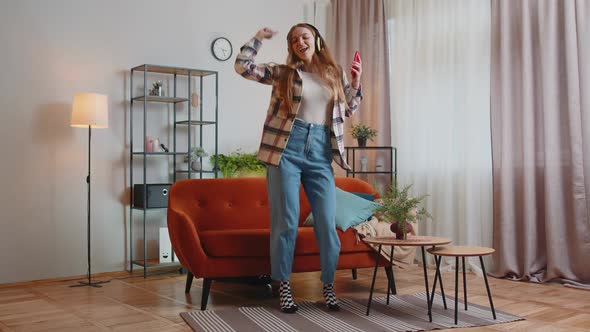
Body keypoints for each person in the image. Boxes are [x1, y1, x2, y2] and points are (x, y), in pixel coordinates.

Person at [234, 23, 363, 313]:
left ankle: (328, 285)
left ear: (316, 39)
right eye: (293, 40)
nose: (299, 42)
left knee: (327, 224)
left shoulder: (335, 74)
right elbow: (243, 66)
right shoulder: (283, 73)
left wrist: (355, 82)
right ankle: (284, 286)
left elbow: (349, 109)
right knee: (286, 223)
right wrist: (257, 38)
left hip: (320, 153)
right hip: (286, 151)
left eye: (304, 36)